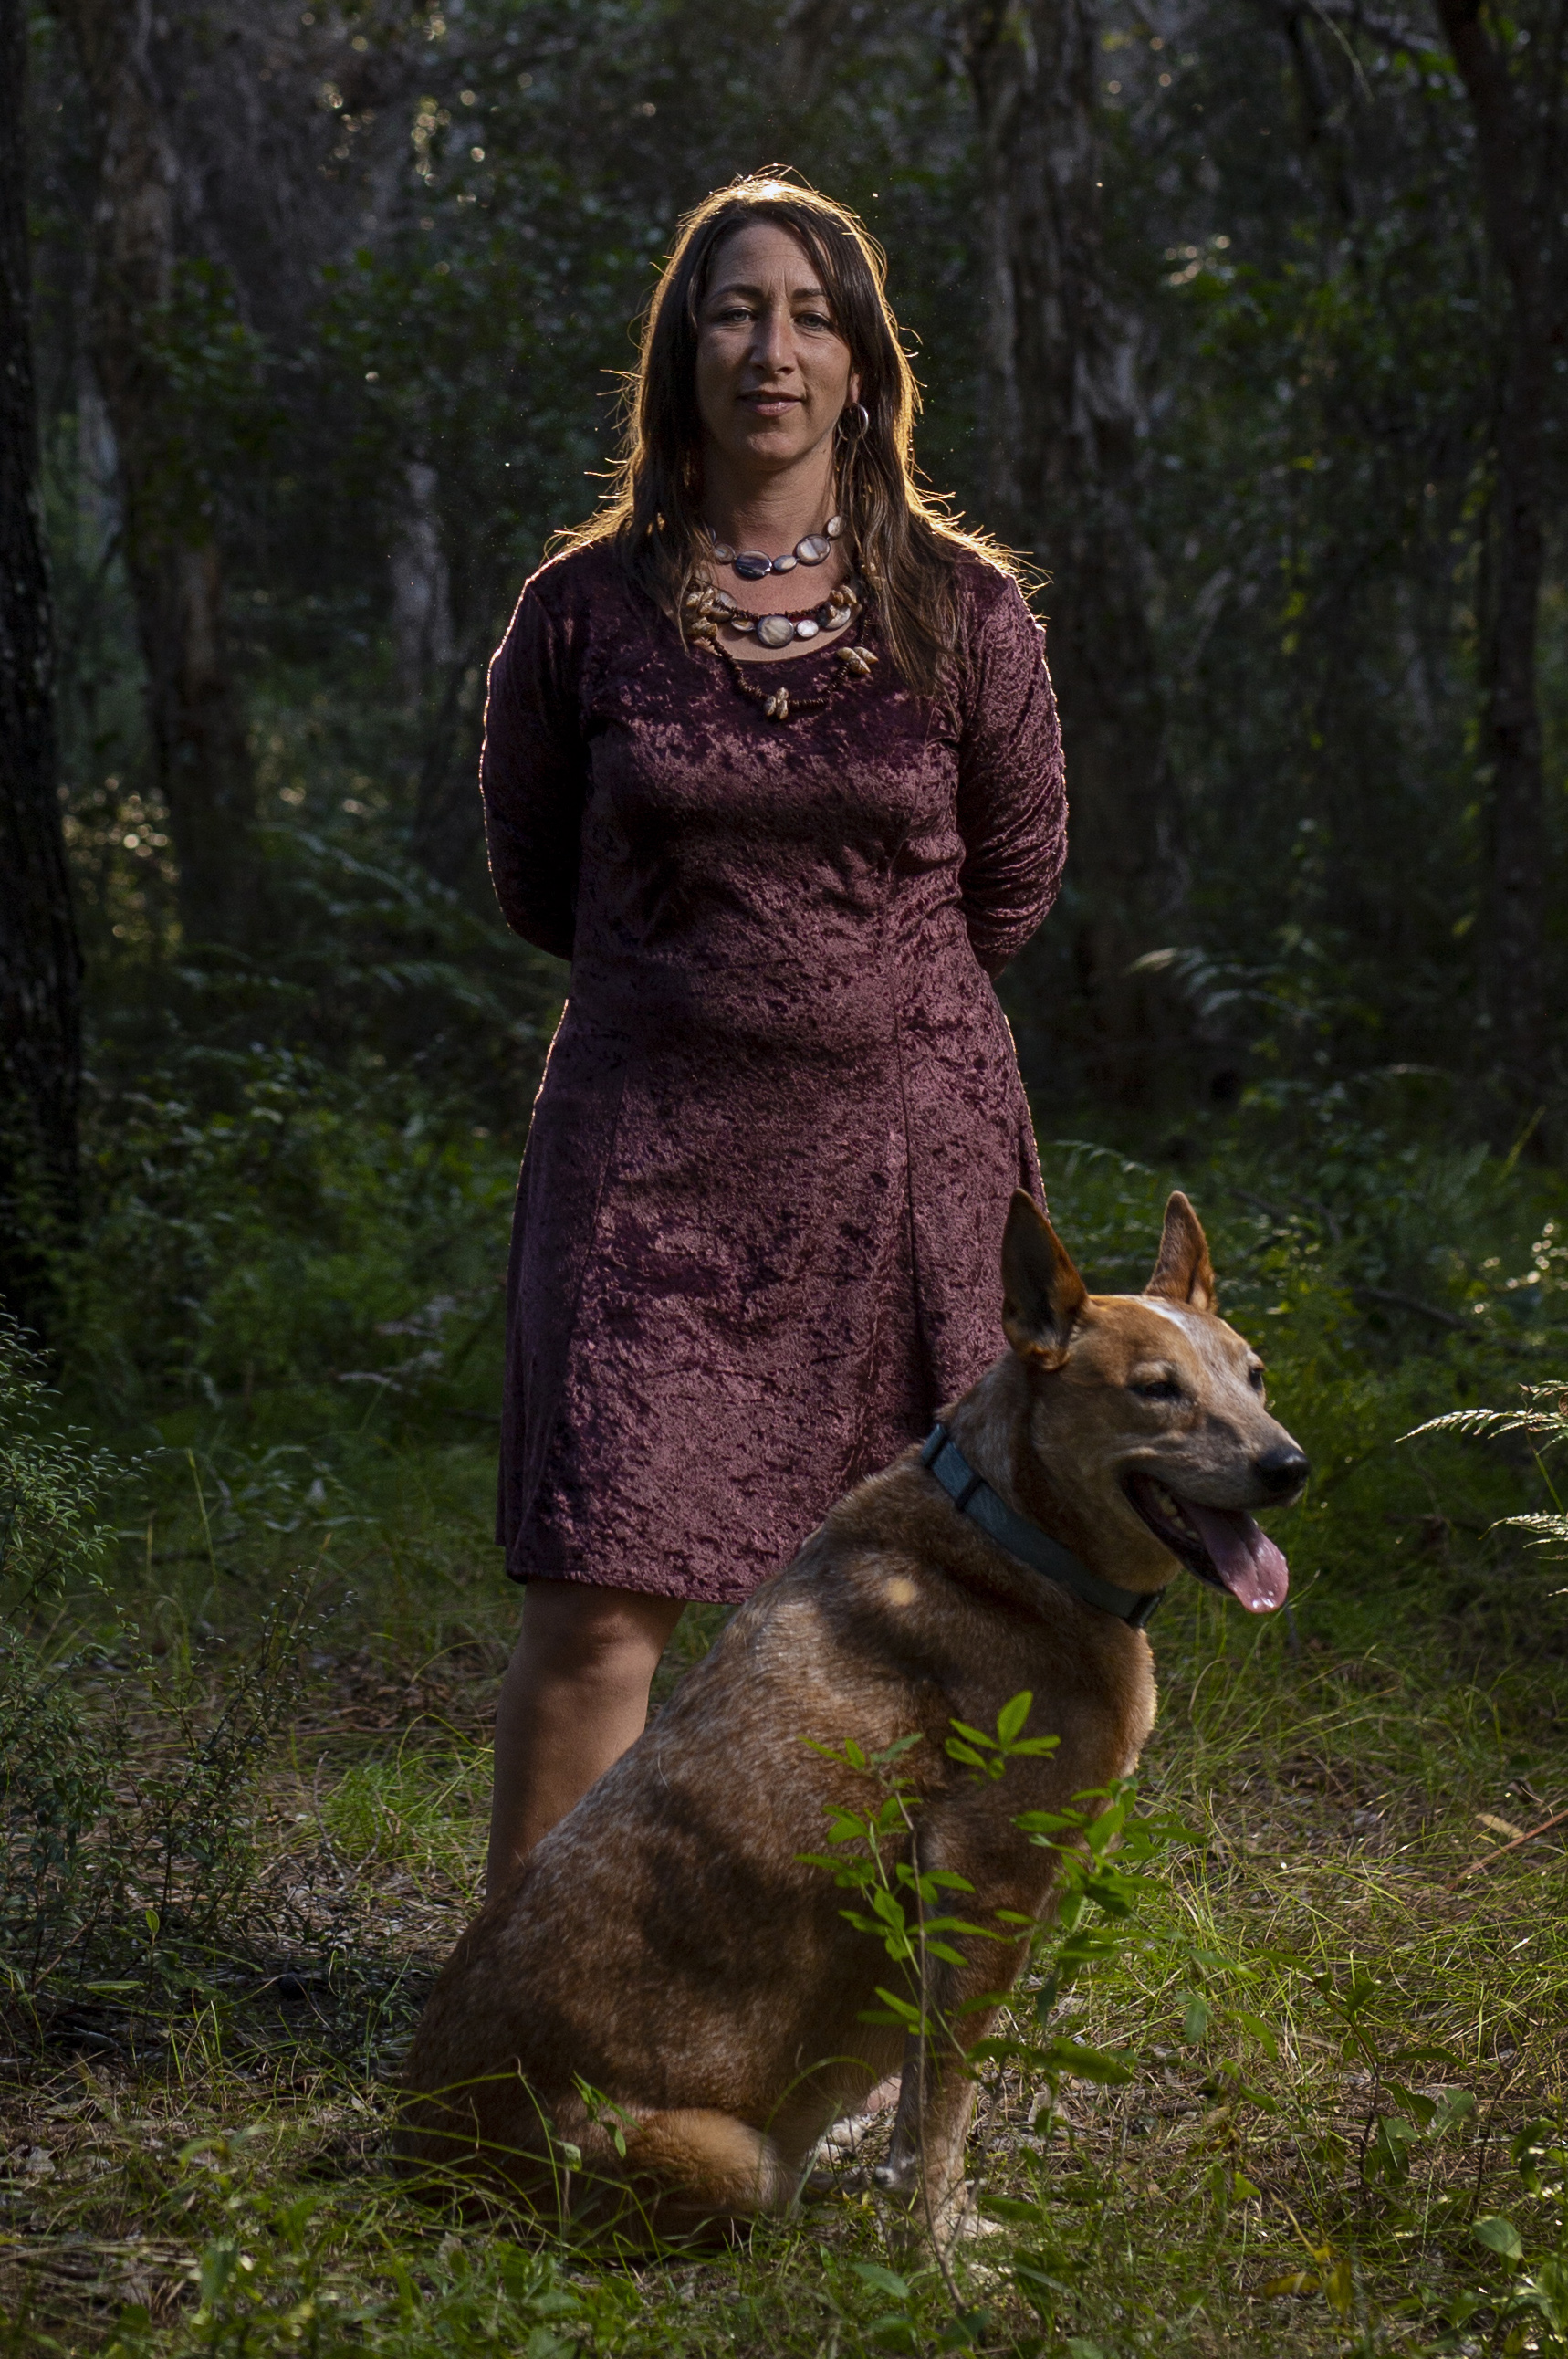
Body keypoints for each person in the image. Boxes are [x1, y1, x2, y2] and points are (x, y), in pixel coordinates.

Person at [479, 174, 1067, 1893]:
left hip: (903, 1166)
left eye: (812, 315)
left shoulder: (965, 616)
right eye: (737, 310)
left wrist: (854, 1007)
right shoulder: (579, 616)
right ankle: (511, 2034)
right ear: (681, 355)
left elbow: (1013, 887)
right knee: (598, 1606)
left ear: (866, 366)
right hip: (646, 1161)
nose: (774, 349)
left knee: (911, 1611)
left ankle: (846, 2020)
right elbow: (537, 881)